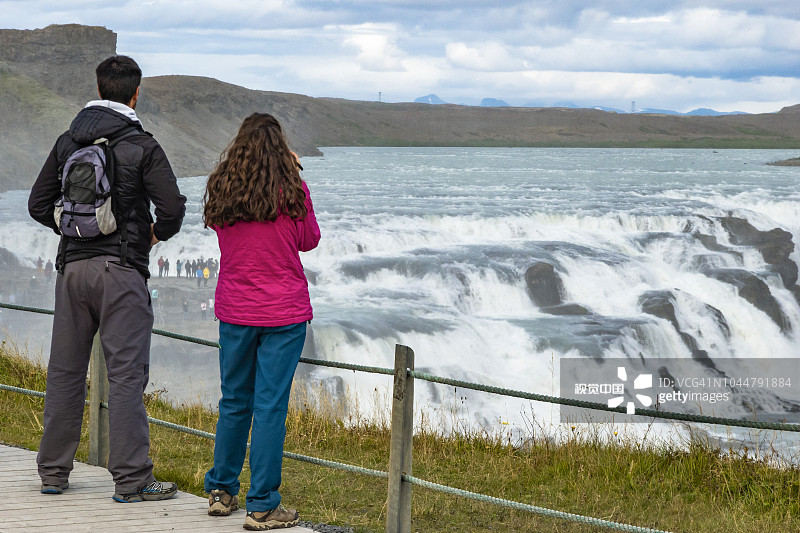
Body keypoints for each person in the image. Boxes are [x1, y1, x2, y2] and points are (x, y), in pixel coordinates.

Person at [27, 55, 186, 503]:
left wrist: (74, 231)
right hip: (121, 273)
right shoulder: (143, 145)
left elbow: (38, 204)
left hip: (72, 272)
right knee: (125, 377)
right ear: (136, 94)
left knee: (64, 372)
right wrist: (150, 237)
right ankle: (132, 481)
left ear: (99, 91)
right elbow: (172, 208)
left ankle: (53, 474)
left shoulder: (67, 140)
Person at [202, 113, 320, 530]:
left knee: (234, 400)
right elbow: (309, 239)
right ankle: (263, 504)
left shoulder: (222, 188)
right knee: (270, 407)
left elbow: (221, 228)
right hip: (284, 314)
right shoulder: (292, 191)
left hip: (235, 310)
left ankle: (221, 491)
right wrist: (297, 176)